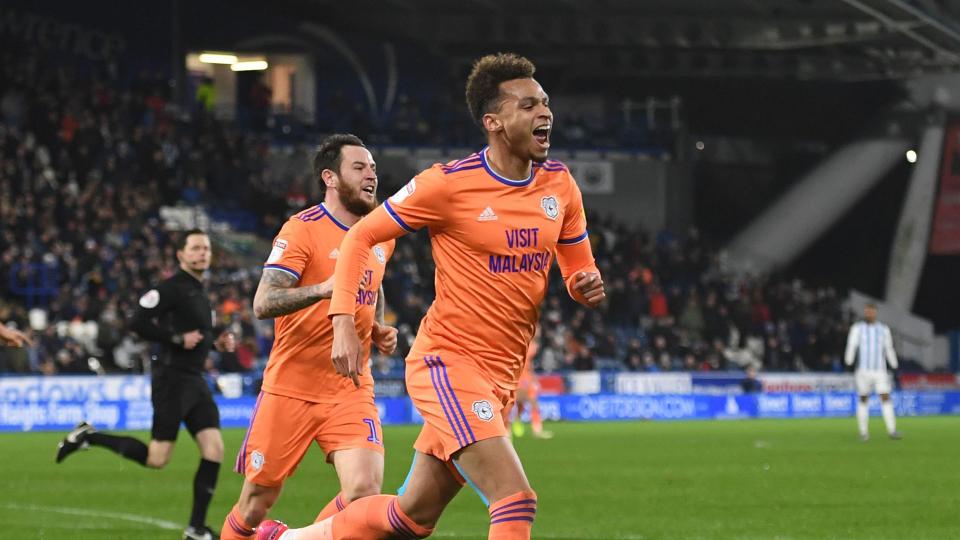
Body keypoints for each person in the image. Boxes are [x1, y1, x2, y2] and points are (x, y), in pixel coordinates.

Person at [263, 52, 605, 540]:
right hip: (449, 363)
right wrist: (342, 322)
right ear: (493, 122)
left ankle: (285, 539)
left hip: (502, 375)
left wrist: (583, 284)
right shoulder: (448, 184)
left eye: (545, 102)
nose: (544, 112)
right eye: (528, 105)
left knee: (410, 517)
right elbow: (361, 237)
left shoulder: (560, 185)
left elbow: (577, 267)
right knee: (514, 499)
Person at [220, 134, 398, 540]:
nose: (371, 175)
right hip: (291, 387)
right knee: (256, 503)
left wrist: (376, 324)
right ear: (330, 178)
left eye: (373, 167)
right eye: (359, 167)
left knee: (365, 492)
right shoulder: (302, 229)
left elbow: (375, 281)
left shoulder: (381, 234)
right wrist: (324, 289)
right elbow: (263, 302)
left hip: (350, 385)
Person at [55, 229, 235, 540]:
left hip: (195, 380)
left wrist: (215, 344)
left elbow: (195, 335)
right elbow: (136, 321)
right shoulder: (170, 288)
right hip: (172, 379)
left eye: (206, 248)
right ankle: (90, 436)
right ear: (180, 255)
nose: (202, 253)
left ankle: (196, 529)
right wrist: (176, 338)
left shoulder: (198, 290)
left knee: (214, 449)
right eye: (195, 248)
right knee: (157, 458)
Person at [844, 303, 901, 441]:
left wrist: (894, 364)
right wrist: (848, 361)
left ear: (875, 313)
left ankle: (892, 430)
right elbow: (852, 345)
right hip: (863, 371)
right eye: (867, 311)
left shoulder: (883, 329)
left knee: (885, 396)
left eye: (871, 311)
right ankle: (863, 432)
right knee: (863, 398)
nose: (869, 314)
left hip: (880, 371)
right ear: (865, 313)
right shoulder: (857, 328)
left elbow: (888, 348)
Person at [508, 326, 552, 439]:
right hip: (518, 378)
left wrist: (533, 378)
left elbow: (529, 364)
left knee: (526, 403)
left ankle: (533, 428)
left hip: (526, 378)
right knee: (520, 403)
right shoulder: (523, 343)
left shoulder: (533, 345)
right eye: (537, 329)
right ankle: (509, 428)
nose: (539, 332)